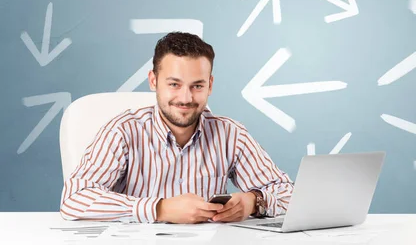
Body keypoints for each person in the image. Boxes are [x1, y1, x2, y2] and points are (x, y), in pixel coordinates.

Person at [59, 32, 294, 224]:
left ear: (210, 85)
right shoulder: (122, 132)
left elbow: (291, 195)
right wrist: (160, 208)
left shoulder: (231, 134)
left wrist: (255, 201)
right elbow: (74, 199)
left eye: (197, 86)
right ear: (153, 81)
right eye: (174, 84)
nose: (186, 98)